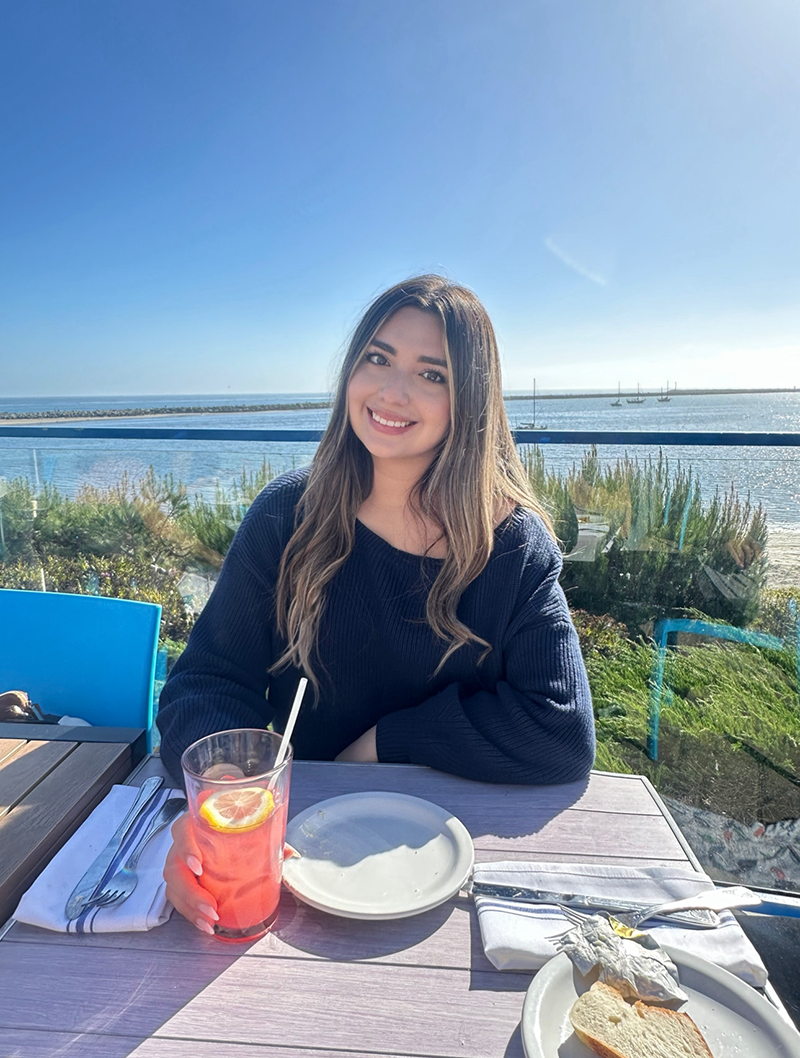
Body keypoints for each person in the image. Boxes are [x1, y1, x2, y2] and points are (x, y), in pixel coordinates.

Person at [158, 274, 595, 933]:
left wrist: (383, 741)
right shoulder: (287, 516)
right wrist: (225, 793)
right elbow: (209, 680)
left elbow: (558, 727)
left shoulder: (513, 546)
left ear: (470, 398)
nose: (392, 393)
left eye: (433, 374)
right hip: (297, 856)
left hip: (452, 868)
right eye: (378, 358)